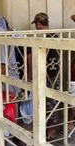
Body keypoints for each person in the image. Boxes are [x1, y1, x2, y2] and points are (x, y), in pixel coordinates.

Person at [26, 12, 60, 141]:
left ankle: (46, 131)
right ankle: (51, 131)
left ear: (38, 23)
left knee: (43, 103)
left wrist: (31, 75)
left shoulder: (39, 36)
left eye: (36, 24)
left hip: (43, 74)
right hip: (54, 73)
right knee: (52, 102)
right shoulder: (55, 36)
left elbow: (40, 56)